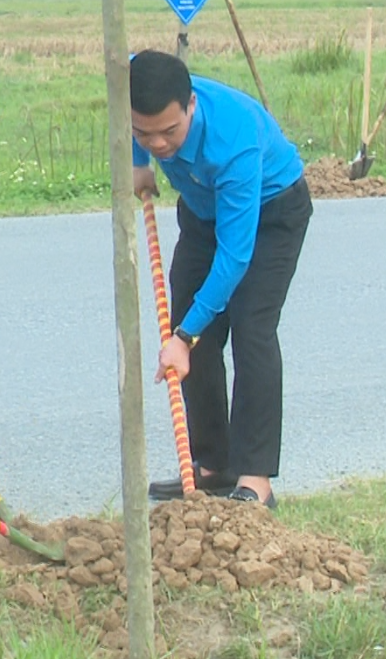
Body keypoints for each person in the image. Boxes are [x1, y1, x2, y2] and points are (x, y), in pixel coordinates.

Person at [131, 50, 311, 509]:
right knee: (193, 322)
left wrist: (184, 336)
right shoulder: (139, 94)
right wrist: (139, 162)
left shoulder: (233, 141)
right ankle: (213, 465)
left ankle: (255, 480)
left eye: (169, 132)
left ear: (191, 104)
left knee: (251, 328)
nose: (159, 143)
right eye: (143, 133)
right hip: (202, 208)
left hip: (270, 213)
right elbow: (127, 83)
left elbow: (234, 257)